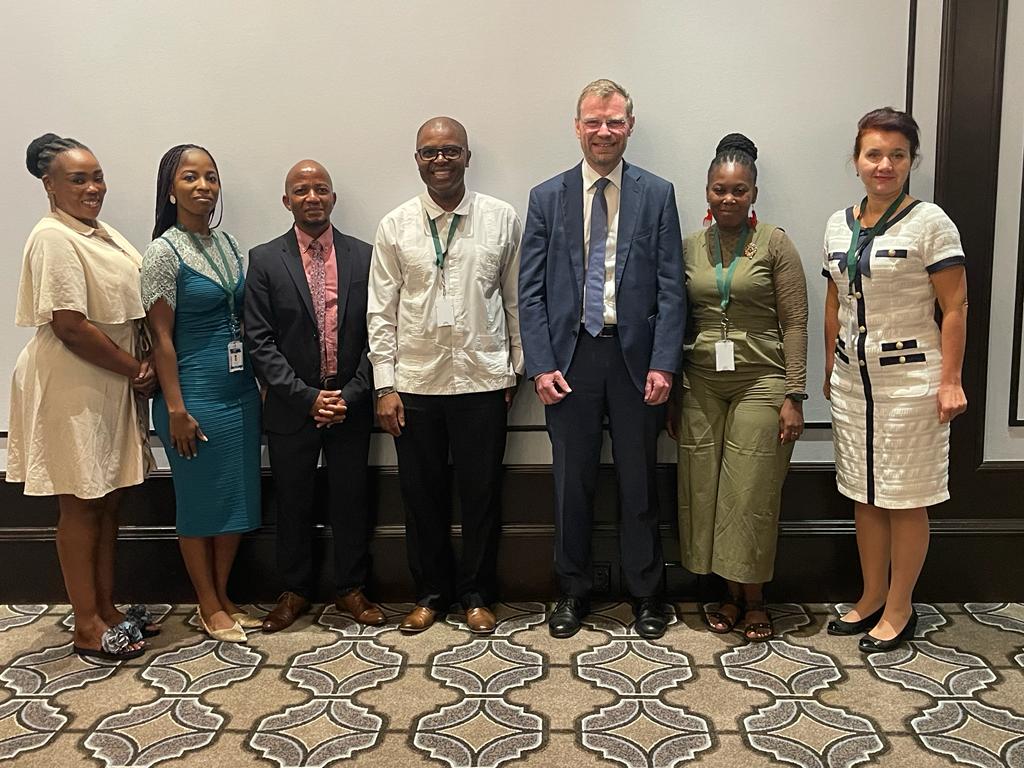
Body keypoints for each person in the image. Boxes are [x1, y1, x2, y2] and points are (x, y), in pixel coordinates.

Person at [519, 79, 685, 640]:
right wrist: (540, 365)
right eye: (594, 121)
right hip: (570, 360)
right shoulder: (547, 197)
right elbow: (531, 292)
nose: (604, 131)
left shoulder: (657, 193)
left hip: (636, 361)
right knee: (572, 482)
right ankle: (571, 591)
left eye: (614, 121)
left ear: (629, 127)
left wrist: (665, 363)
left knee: (640, 483)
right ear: (577, 127)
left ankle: (647, 595)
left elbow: (670, 288)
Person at [368, 116, 523, 634]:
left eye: (450, 151)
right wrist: (385, 386)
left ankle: (478, 594)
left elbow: (516, 300)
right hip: (415, 386)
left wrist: (513, 370)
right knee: (421, 496)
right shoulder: (395, 226)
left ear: (467, 157)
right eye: (430, 152)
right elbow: (380, 312)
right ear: (416, 159)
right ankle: (431, 594)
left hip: (482, 381)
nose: (440, 160)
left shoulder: (502, 219)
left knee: (482, 495)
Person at [8, 133, 158, 661]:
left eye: (97, 176)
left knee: (108, 497)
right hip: (75, 379)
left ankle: (107, 608)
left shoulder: (97, 231)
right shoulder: (53, 236)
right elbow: (70, 325)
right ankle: (87, 626)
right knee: (80, 500)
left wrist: (132, 369)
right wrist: (137, 368)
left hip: (108, 378)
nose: (94, 187)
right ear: (49, 185)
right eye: (79, 179)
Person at [822, 108, 967, 653]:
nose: (884, 165)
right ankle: (872, 594)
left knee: (906, 497)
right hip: (854, 380)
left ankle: (901, 606)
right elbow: (835, 297)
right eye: (873, 154)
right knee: (865, 493)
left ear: (911, 161)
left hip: (911, 380)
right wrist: (829, 367)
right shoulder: (839, 223)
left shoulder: (931, 222)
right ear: (857, 159)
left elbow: (956, 305)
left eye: (897, 155)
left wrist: (950, 380)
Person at [667, 133, 808, 642]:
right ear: (706, 191)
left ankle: (754, 598)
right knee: (704, 488)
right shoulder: (687, 247)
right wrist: (676, 393)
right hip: (701, 381)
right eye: (719, 190)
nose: (729, 199)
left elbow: (795, 322)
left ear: (754, 193)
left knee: (749, 492)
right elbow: (677, 321)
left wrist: (794, 395)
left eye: (739, 190)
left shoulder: (776, 243)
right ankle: (724, 592)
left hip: (762, 380)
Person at [245, 160, 383, 632]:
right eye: (301, 190)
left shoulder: (365, 255)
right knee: (293, 499)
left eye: (320, 188)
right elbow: (259, 342)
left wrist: (353, 391)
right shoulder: (264, 260)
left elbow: (379, 333)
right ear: (287, 201)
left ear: (333, 198)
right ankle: (295, 590)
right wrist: (307, 397)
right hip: (292, 405)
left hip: (351, 402)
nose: (312, 197)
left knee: (351, 497)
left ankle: (351, 589)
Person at [142, 144, 262, 643]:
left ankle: (223, 595)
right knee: (198, 503)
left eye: (210, 177)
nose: (203, 187)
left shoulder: (231, 245)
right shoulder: (162, 253)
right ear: (171, 189)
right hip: (191, 396)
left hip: (238, 391)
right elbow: (161, 339)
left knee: (235, 498)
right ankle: (206, 603)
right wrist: (175, 408)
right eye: (190, 177)